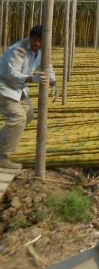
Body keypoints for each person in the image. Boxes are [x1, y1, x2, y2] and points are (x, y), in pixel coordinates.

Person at [0, 25, 53, 170]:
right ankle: (2, 156)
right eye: (35, 40)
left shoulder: (42, 50)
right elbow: (11, 73)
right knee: (18, 119)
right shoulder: (18, 50)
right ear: (30, 38)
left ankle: (3, 142)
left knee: (28, 115)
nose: (37, 44)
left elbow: (48, 66)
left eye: (40, 41)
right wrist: (31, 78)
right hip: (4, 87)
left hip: (19, 89)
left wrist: (53, 81)